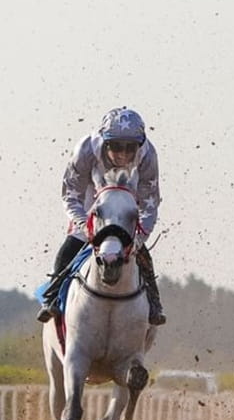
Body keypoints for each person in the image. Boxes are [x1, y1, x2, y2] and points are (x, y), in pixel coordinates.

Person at [38, 108, 165, 325]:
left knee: (138, 248)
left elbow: (150, 205)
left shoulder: (148, 156)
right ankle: (52, 295)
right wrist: (83, 225)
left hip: (127, 196)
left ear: (140, 145)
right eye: (116, 146)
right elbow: (71, 195)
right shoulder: (86, 149)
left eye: (130, 147)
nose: (123, 154)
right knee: (75, 240)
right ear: (105, 143)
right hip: (92, 194)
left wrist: (139, 239)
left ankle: (154, 302)